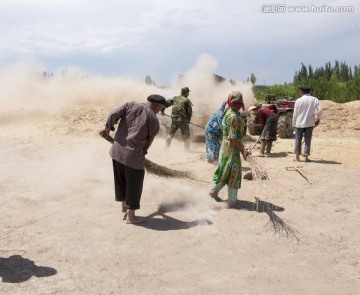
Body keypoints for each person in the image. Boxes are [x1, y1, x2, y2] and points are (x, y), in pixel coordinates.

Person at [102, 94, 166, 224]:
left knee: (121, 180)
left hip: (116, 151)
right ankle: (131, 217)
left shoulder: (129, 104)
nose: (160, 111)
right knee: (134, 185)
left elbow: (113, 114)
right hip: (133, 156)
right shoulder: (154, 120)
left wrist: (108, 128)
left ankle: (123, 209)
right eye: (161, 108)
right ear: (157, 106)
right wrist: (142, 153)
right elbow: (147, 143)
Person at [209, 91, 249, 208]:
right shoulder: (232, 116)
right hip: (232, 148)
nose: (237, 104)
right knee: (233, 172)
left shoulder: (232, 112)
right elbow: (233, 137)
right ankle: (231, 201)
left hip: (229, 147)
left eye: (239, 102)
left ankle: (213, 192)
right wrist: (243, 149)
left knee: (226, 171)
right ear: (230, 102)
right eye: (235, 102)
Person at [292, 85, 323, 162]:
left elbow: (295, 113)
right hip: (309, 123)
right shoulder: (314, 99)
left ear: (301, 92)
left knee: (298, 140)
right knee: (308, 140)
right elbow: (320, 110)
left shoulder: (298, 100)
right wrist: (318, 119)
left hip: (299, 123)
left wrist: (293, 124)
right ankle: (306, 157)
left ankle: (297, 157)